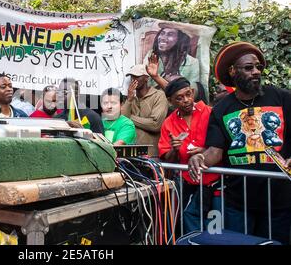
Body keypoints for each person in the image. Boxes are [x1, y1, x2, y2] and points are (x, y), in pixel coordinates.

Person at [188, 41, 291, 244]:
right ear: (233, 71)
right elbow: (215, 151)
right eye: (248, 67)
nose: (256, 72)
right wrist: (199, 158)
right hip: (239, 201)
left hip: (279, 200)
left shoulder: (282, 98)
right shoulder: (221, 109)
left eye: (258, 67)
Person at [158, 77, 220, 234]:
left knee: (216, 225)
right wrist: (174, 149)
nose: (186, 100)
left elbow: (221, 146)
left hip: (215, 181)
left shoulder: (210, 112)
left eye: (188, 94)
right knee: (189, 218)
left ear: (192, 92)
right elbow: (168, 158)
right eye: (179, 98)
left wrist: (205, 151)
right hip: (189, 183)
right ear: (171, 102)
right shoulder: (169, 123)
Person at [121, 64, 168, 156]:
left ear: (146, 78)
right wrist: (129, 99)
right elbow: (122, 122)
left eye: (137, 76)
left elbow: (155, 125)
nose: (133, 79)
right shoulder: (130, 98)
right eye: (132, 77)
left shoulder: (159, 96)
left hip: (151, 154)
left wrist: (130, 118)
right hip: (131, 154)